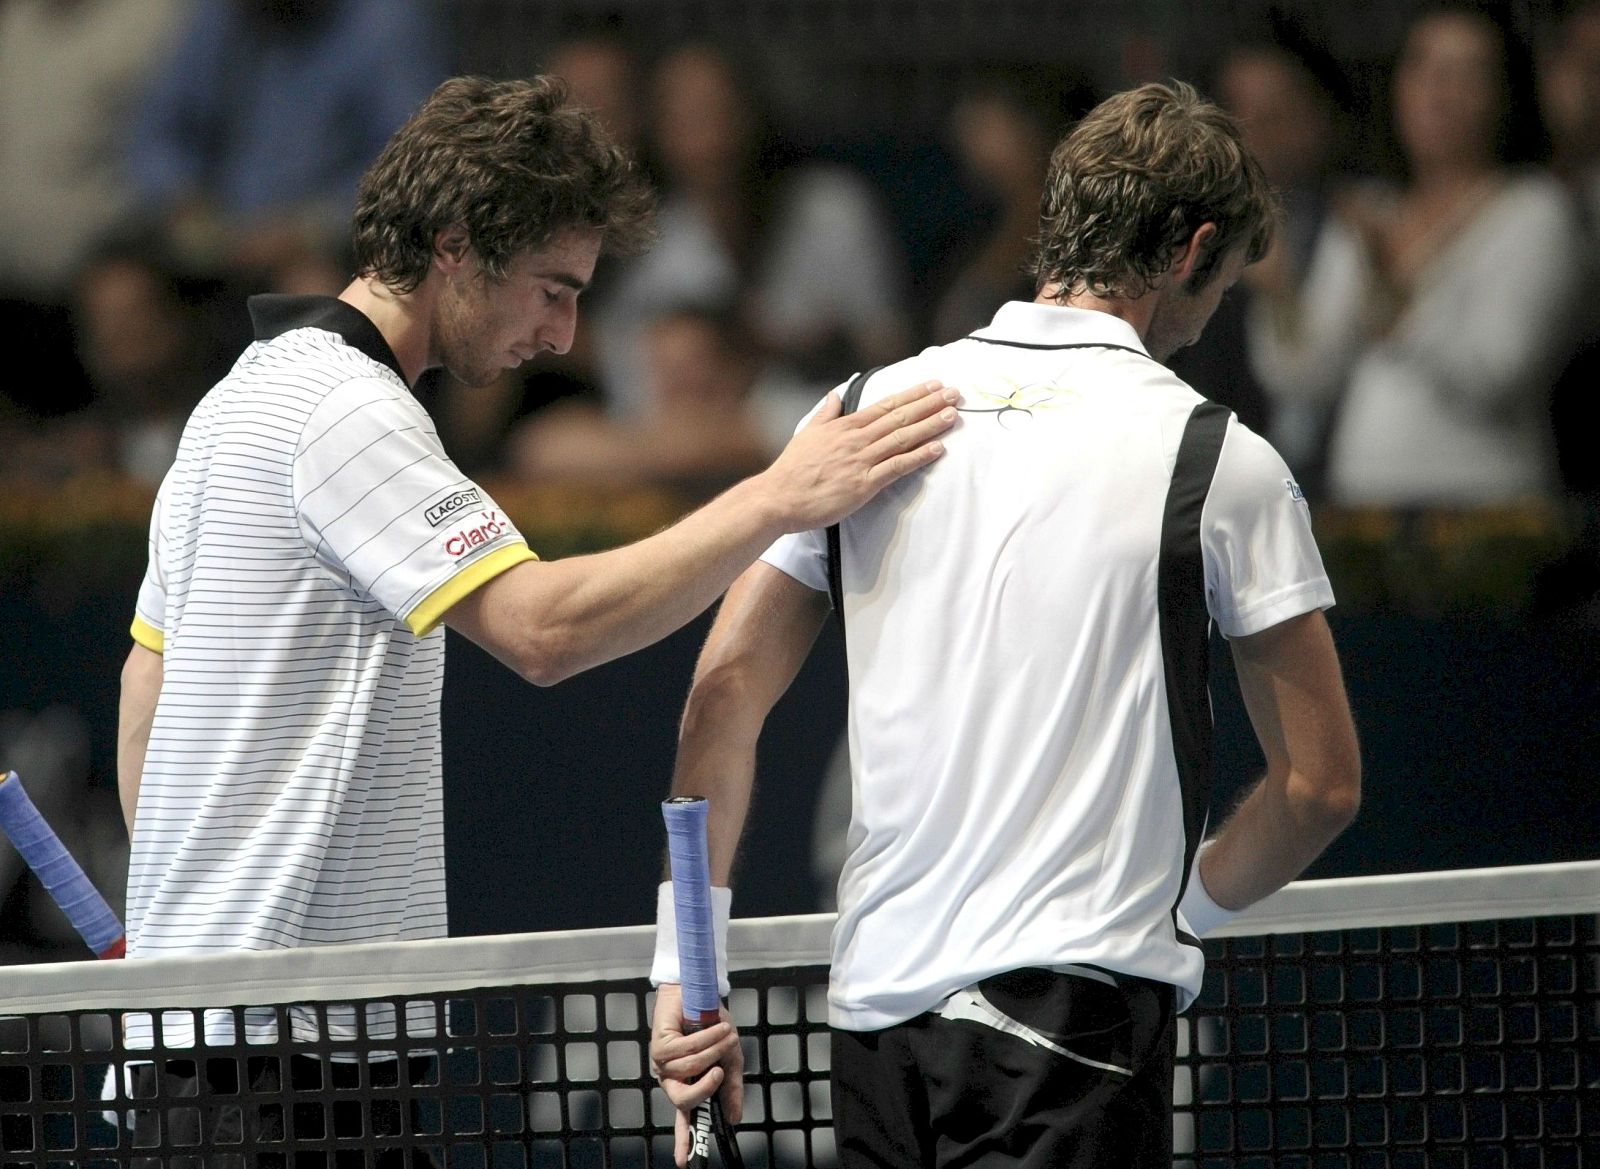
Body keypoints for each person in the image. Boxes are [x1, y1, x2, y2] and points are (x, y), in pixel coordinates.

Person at [648, 81, 1361, 1168]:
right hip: (1077, 1023)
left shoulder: (856, 413)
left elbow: (723, 691)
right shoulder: (1217, 457)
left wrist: (681, 970)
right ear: (1193, 250)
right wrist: (1182, 912)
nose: (1210, 314)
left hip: (877, 1016)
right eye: (1220, 283)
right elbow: (1318, 786)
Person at [117, 75, 958, 965]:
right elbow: (544, 630)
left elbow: (146, 688)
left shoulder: (234, 400)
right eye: (552, 290)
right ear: (454, 245)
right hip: (296, 1034)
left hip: (199, 1007)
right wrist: (777, 494)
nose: (561, 335)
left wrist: (178, 927)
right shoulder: (346, 408)